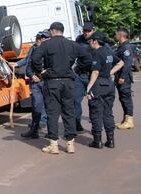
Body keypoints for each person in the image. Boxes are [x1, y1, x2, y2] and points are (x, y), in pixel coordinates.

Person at [31, 21, 80, 155]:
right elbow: (86, 58)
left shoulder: (46, 44)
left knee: (52, 113)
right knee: (69, 111)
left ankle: (54, 145)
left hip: (52, 82)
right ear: (62, 31)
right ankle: (70, 144)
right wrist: (73, 68)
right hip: (68, 82)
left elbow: (35, 58)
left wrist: (40, 72)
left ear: (52, 31)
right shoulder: (72, 44)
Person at [86, 31, 123, 148]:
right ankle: (110, 140)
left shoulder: (97, 53)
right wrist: (109, 73)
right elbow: (121, 62)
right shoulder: (108, 51)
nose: (89, 43)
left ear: (95, 41)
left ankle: (97, 141)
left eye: (90, 40)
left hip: (98, 85)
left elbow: (95, 71)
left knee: (96, 112)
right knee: (108, 112)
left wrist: (89, 87)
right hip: (109, 84)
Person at [13, 30, 49, 138]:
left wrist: (41, 76)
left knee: (49, 106)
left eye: (42, 37)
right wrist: (17, 64)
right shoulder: (33, 48)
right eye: (38, 37)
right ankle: (35, 130)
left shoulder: (50, 49)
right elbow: (28, 61)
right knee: (36, 105)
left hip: (46, 81)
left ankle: (49, 130)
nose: (39, 39)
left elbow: (53, 66)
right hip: (35, 81)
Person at [73, 22, 95, 132]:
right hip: (80, 75)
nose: (86, 33)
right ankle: (77, 122)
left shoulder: (98, 39)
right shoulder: (79, 39)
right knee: (75, 99)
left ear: (93, 30)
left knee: (93, 101)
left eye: (88, 31)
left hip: (93, 75)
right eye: (84, 31)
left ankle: (95, 125)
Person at [114, 28, 134, 130]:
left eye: (116, 34)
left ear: (121, 35)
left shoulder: (126, 47)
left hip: (124, 77)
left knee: (126, 99)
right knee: (122, 98)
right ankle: (125, 120)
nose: (115, 36)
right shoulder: (121, 46)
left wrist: (122, 77)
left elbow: (127, 63)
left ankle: (129, 121)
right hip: (119, 76)